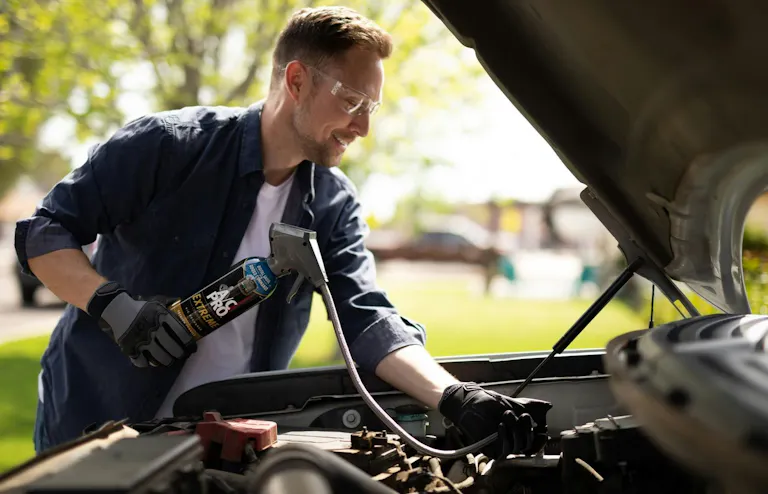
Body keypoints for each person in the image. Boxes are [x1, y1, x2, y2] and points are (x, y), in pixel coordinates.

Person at [15, 6, 551, 458]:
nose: (363, 127)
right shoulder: (169, 146)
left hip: (225, 443)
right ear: (296, 81)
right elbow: (45, 230)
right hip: (98, 426)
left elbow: (366, 319)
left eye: (371, 108)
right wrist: (114, 308)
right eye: (352, 101)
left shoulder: (333, 205)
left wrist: (455, 397)